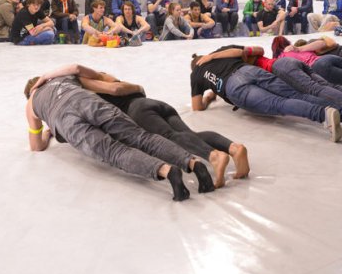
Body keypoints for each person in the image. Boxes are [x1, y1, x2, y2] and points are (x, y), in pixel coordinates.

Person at [25, 64, 215, 201]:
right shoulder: (61, 77)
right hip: (87, 101)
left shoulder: (31, 104)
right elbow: (77, 67)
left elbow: (36, 147)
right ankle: (193, 162)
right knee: (141, 137)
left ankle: (166, 171)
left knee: (115, 152)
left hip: (66, 122)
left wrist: (48, 134)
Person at [80, 71, 249, 188]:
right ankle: (234, 148)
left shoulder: (84, 89)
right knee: (189, 135)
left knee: (171, 137)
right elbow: (133, 88)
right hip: (155, 103)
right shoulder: (105, 76)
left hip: (138, 111)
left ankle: (214, 156)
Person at [190, 45, 342, 142]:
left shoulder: (196, 73)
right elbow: (240, 51)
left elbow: (197, 107)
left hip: (234, 87)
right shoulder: (217, 52)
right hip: (249, 70)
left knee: (279, 104)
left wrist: (209, 97)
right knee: (296, 95)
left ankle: (324, 115)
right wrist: (213, 56)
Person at [249, 42, 342, 133]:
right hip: (295, 63)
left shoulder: (248, 63)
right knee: (327, 85)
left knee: (315, 89)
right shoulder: (281, 54)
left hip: (279, 67)